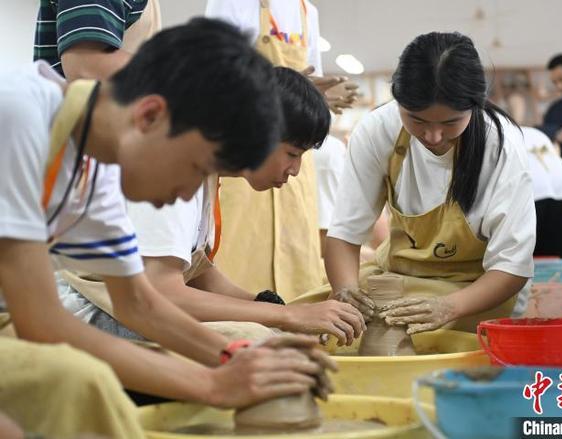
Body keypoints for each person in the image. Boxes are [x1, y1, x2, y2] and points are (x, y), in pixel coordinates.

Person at [0, 19, 333, 438]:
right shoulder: (18, 115)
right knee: (76, 384)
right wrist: (213, 384)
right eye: (198, 169)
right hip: (23, 320)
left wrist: (237, 356)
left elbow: (138, 303)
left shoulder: (96, 162)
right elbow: (42, 323)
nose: (186, 194)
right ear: (151, 115)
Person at [58, 67, 365, 347]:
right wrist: (288, 317)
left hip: (131, 305)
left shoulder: (205, 170)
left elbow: (197, 269)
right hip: (86, 307)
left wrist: (270, 305)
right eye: (292, 153)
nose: (295, 170)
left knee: (275, 334)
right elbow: (161, 291)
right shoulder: (174, 164)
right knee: (257, 343)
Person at [317, 32, 536, 334]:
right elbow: (344, 234)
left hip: (475, 293)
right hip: (398, 281)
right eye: (417, 120)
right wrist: (346, 293)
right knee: (307, 318)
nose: (433, 136)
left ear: (474, 106)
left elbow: (512, 267)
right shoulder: (378, 130)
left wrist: (449, 307)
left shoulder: (501, 147)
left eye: (450, 123)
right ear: (398, 102)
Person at [205, 0, 358, 301]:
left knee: (296, 278)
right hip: (254, 159)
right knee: (237, 260)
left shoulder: (307, 12)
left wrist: (311, 95)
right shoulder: (235, 3)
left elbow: (302, 98)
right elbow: (212, 76)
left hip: (287, 160)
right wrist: (282, 90)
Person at [522, 127, 562, 258]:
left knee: (528, 259)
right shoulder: (539, 136)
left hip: (532, 192)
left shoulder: (517, 133)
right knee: (558, 255)